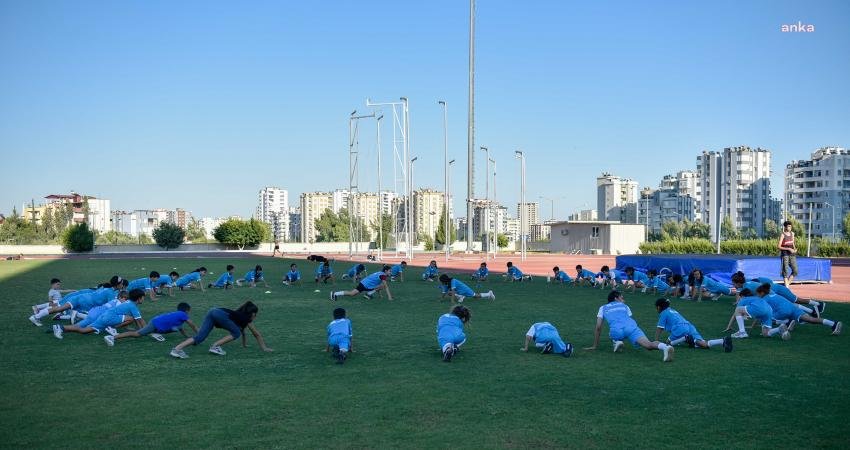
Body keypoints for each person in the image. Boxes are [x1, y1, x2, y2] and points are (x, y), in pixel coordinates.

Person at [584, 290, 674, 362]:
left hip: (617, 330)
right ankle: (665, 347)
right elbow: (628, 318)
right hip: (632, 327)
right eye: (622, 298)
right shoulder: (625, 306)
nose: (624, 300)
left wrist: (595, 345)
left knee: (613, 334)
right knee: (648, 345)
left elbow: (598, 327)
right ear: (616, 298)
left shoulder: (603, 307)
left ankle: (617, 341)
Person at [169, 301, 273, 358]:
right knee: (236, 333)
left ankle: (177, 349)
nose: (256, 316)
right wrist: (264, 348)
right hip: (219, 314)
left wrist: (244, 344)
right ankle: (215, 346)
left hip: (213, 311)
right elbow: (256, 334)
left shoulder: (240, 316)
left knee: (200, 337)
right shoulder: (246, 319)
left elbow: (243, 331)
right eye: (256, 314)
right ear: (253, 314)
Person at [52, 289, 145, 340]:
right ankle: (111, 328)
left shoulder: (123, 301)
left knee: (84, 330)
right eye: (143, 298)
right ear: (139, 298)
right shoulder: (130, 305)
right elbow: (138, 320)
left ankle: (60, 327)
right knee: (131, 318)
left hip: (99, 313)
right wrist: (145, 331)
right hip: (104, 316)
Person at [30, 277, 124, 326]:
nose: (122, 285)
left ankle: (36, 316)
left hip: (80, 298)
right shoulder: (111, 293)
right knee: (59, 308)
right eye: (122, 283)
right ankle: (35, 316)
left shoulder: (106, 288)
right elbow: (111, 307)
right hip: (84, 302)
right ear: (118, 284)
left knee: (58, 308)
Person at [654, 298, 733, 352]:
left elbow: (659, 328)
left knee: (668, 344)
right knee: (703, 344)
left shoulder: (663, 313)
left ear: (658, 307)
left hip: (679, 328)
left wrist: (656, 341)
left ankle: (685, 338)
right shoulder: (672, 310)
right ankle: (722, 341)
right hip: (689, 326)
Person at [106, 302, 199, 346]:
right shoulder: (183, 315)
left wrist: (187, 336)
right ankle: (112, 337)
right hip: (155, 324)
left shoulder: (179, 315)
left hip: (156, 323)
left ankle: (154, 333)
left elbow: (181, 328)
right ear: (187, 311)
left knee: (177, 327)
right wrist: (200, 333)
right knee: (137, 334)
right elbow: (193, 325)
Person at [763, 290, 842, 336]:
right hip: (792, 307)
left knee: (767, 319)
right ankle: (833, 324)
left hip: (784, 310)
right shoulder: (772, 293)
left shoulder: (762, 299)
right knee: (811, 319)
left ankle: (786, 322)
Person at [725, 284, 790, 340]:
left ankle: (742, 332)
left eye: (740, 297)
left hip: (761, 309)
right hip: (769, 310)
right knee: (766, 333)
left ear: (742, 296)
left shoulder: (744, 299)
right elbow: (758, 315)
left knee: (738, 309)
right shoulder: (756, 299)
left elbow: (735, 313)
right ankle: (779, 329)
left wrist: (729, 326)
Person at [778, 220, 798, 286]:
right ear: (785, 227)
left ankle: (787, 285)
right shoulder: (782, 235)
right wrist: (788, 249)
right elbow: (779, 246)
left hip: (792, 254)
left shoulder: (792, 234)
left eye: (790, 226)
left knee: (795, 271)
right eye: (788, 226)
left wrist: (794, 249)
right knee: (785, 271)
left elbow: (793, 243)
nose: (790, 228)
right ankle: (787, 287)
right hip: (785, 255)